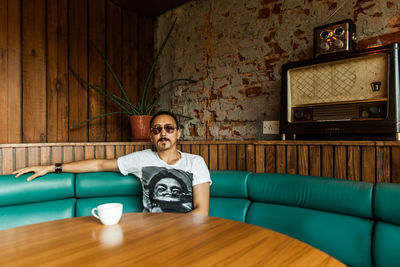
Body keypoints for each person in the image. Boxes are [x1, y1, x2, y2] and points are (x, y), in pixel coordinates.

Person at [13, 111, 211, 216]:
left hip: (187, 231)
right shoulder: (142, 159)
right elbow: (99, 165)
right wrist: (51, 167)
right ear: (151, 135)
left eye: (169, 128)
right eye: (157, 129)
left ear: (178, 133)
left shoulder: (195, 162)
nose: (163, 133)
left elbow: (201, 210)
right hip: (150, 232)